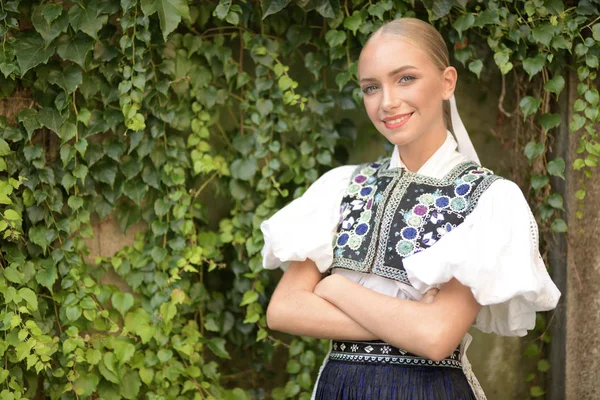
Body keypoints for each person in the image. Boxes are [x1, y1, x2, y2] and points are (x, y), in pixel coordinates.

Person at [260, 18, 561, 400]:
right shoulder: (341, 186)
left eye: (405, 79)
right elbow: (284, 310)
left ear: (447, 81)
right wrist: (409, 320)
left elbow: (436, 337)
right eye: (372, 87)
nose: (387, 102)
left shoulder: (489, 199)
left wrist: (334, 286)